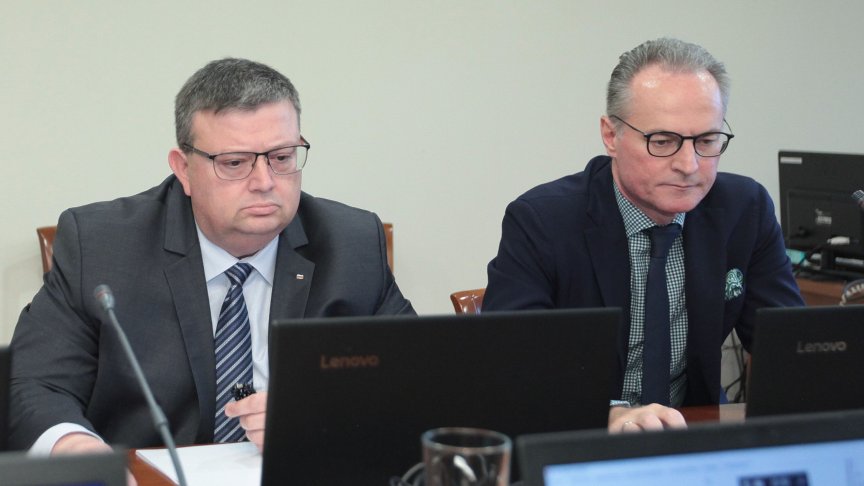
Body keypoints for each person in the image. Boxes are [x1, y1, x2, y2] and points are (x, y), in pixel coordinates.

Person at [8, 58, 414, 456]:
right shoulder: (102, 246)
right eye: (234, 163)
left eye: (282, 158)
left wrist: (323, 418)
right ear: (184, 169)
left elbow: (415, 382)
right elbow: (36, 384)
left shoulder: (352, 244)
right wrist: (77, 448)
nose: (264, 182)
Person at [483, 38, 804, 432]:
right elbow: (513, 368)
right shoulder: (542, 221)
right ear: (611, 135)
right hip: (584, 434)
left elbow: (795, 351)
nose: (689, 165)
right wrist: (608, 413)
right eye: (663, 142)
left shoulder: (744, 209)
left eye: (706, 141)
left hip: (695, 433)